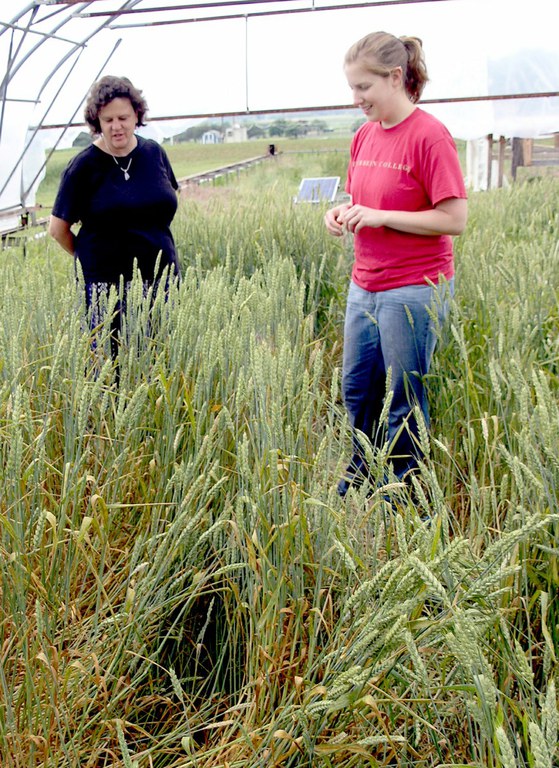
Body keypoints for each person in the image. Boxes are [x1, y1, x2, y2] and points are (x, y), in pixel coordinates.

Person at [324, 31, 467, 497]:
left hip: (414, 286)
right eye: (352, 88)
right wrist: (343, 212)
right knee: (357, 388)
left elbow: (454, 218)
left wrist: (382, 216)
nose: (356, 99)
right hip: (364, 282)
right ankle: (363, 468)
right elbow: (359, 198)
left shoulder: (429, 135)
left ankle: (405, 491)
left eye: (363, 87)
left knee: (404, 396)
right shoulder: (364, 136)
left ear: (395, 77)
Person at [48, 75, 180, 371]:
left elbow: (164, 202)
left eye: (123, 117)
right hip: (106, 289)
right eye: (108, 120)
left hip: (161, 280)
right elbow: (57, 229)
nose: (116, 126)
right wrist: (92, 261)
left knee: (159, 364)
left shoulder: (154, 153)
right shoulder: (83, 167)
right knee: (109, 370)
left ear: (137, 116)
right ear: (97, 121)